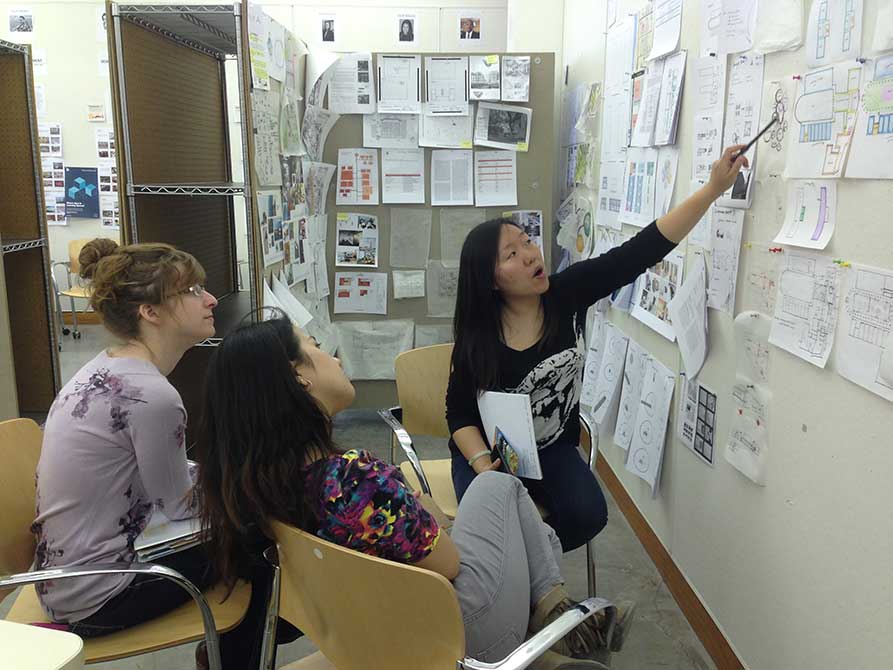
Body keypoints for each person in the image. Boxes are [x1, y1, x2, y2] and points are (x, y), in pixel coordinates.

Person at [196, 315, 635, 670]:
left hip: (377, 631)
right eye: (314, 345)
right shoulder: (350, 480)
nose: (331, 355)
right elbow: (447, 561)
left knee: (516, 524)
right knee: (498, 486)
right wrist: (430, 512)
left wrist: (422, 512)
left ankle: (553, 645)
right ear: (299, 379)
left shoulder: (263, 486)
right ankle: (562, 622)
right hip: (453, 636)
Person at [447, 145, 750, 552]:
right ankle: (538, 595)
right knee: (493, 529)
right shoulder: (479, 335)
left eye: (526, 242)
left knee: (588, 514)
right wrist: (484, 468)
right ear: (491, 281)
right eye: (511, 255)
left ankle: (534, 574)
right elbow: (460, 413)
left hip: (552, 448)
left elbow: (642, 250)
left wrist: (713, 188)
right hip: (489, 454)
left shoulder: (567, 293)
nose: (531, 255)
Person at [31, 240, 292, 669]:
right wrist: (258, 483)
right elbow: (180, 504)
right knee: (260, 541)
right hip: (97, 598)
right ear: (149, 312)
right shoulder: (152, 396)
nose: (210, 299)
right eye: (191, 292)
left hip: (62, 581)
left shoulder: (106, 367)